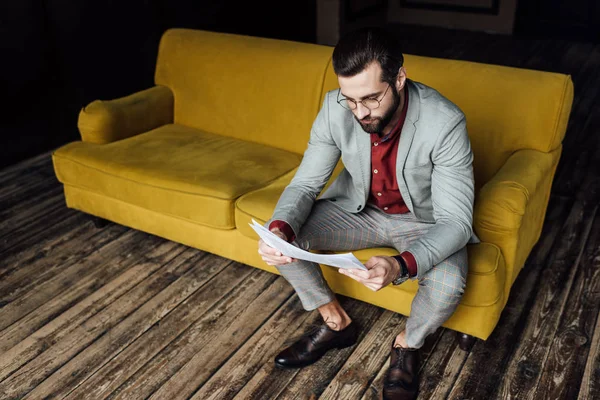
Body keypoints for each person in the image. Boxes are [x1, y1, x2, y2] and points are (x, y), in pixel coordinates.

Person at [257, 26, 478, 400]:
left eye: (372, 99)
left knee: (447, 285)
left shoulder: (446, 122)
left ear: (400, 78)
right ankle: (335, 321)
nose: (360, 112)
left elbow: (456, 222)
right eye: (350, 100)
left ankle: (407, 344)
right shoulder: (334, 107)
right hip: (357, 211)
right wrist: (279, 229)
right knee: (280, 236)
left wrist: (400, 265)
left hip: (423, 223)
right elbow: (305, 185)